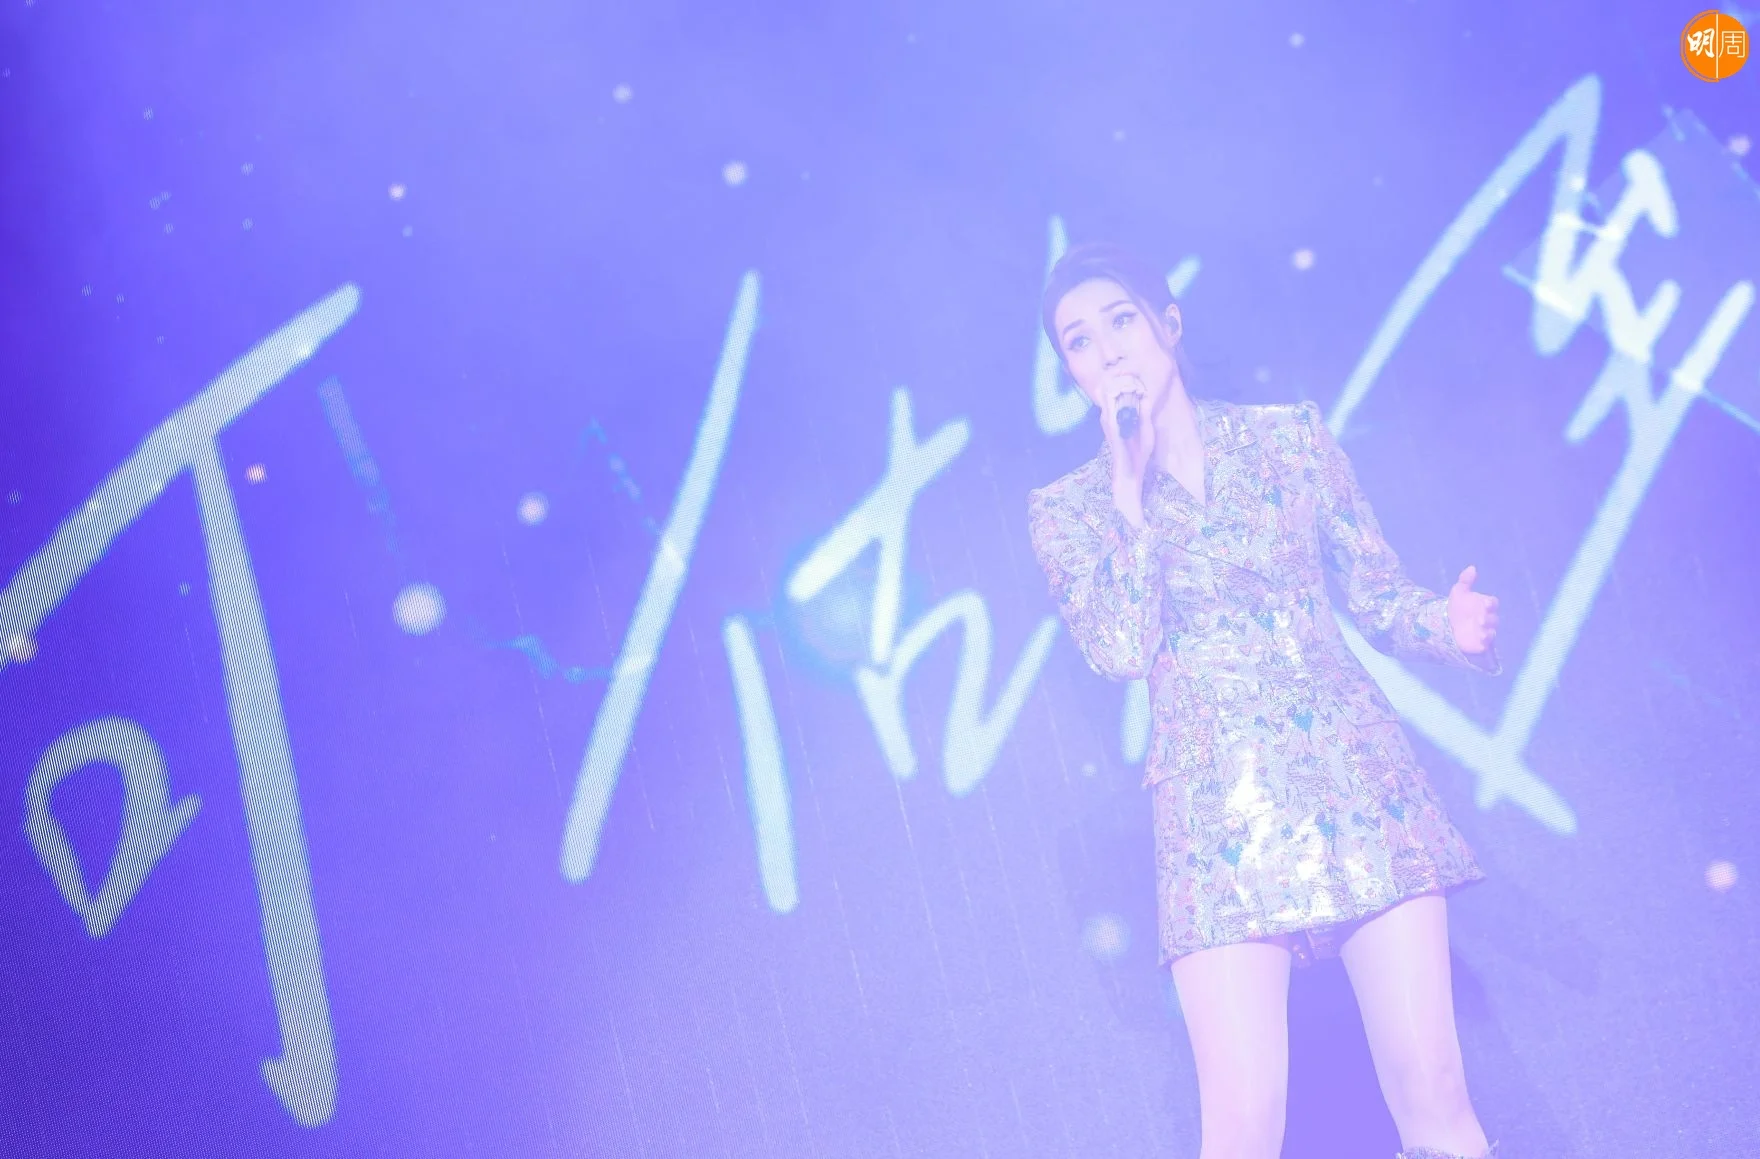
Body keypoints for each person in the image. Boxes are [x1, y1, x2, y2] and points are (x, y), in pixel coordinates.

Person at [1027, 243, 1501, 1159]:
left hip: (1356, 782)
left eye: (1121, 320)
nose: (1108, 350)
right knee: (1242, 1125)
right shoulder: (1071, 509)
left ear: (1169, 323)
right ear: (1072, 372)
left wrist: (1448, 625)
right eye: (1079, 341)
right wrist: (1128, 493)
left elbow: (1376, 595)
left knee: (1436, 1094)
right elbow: (1118, 647)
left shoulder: (1289, 438)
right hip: (1218, 819)